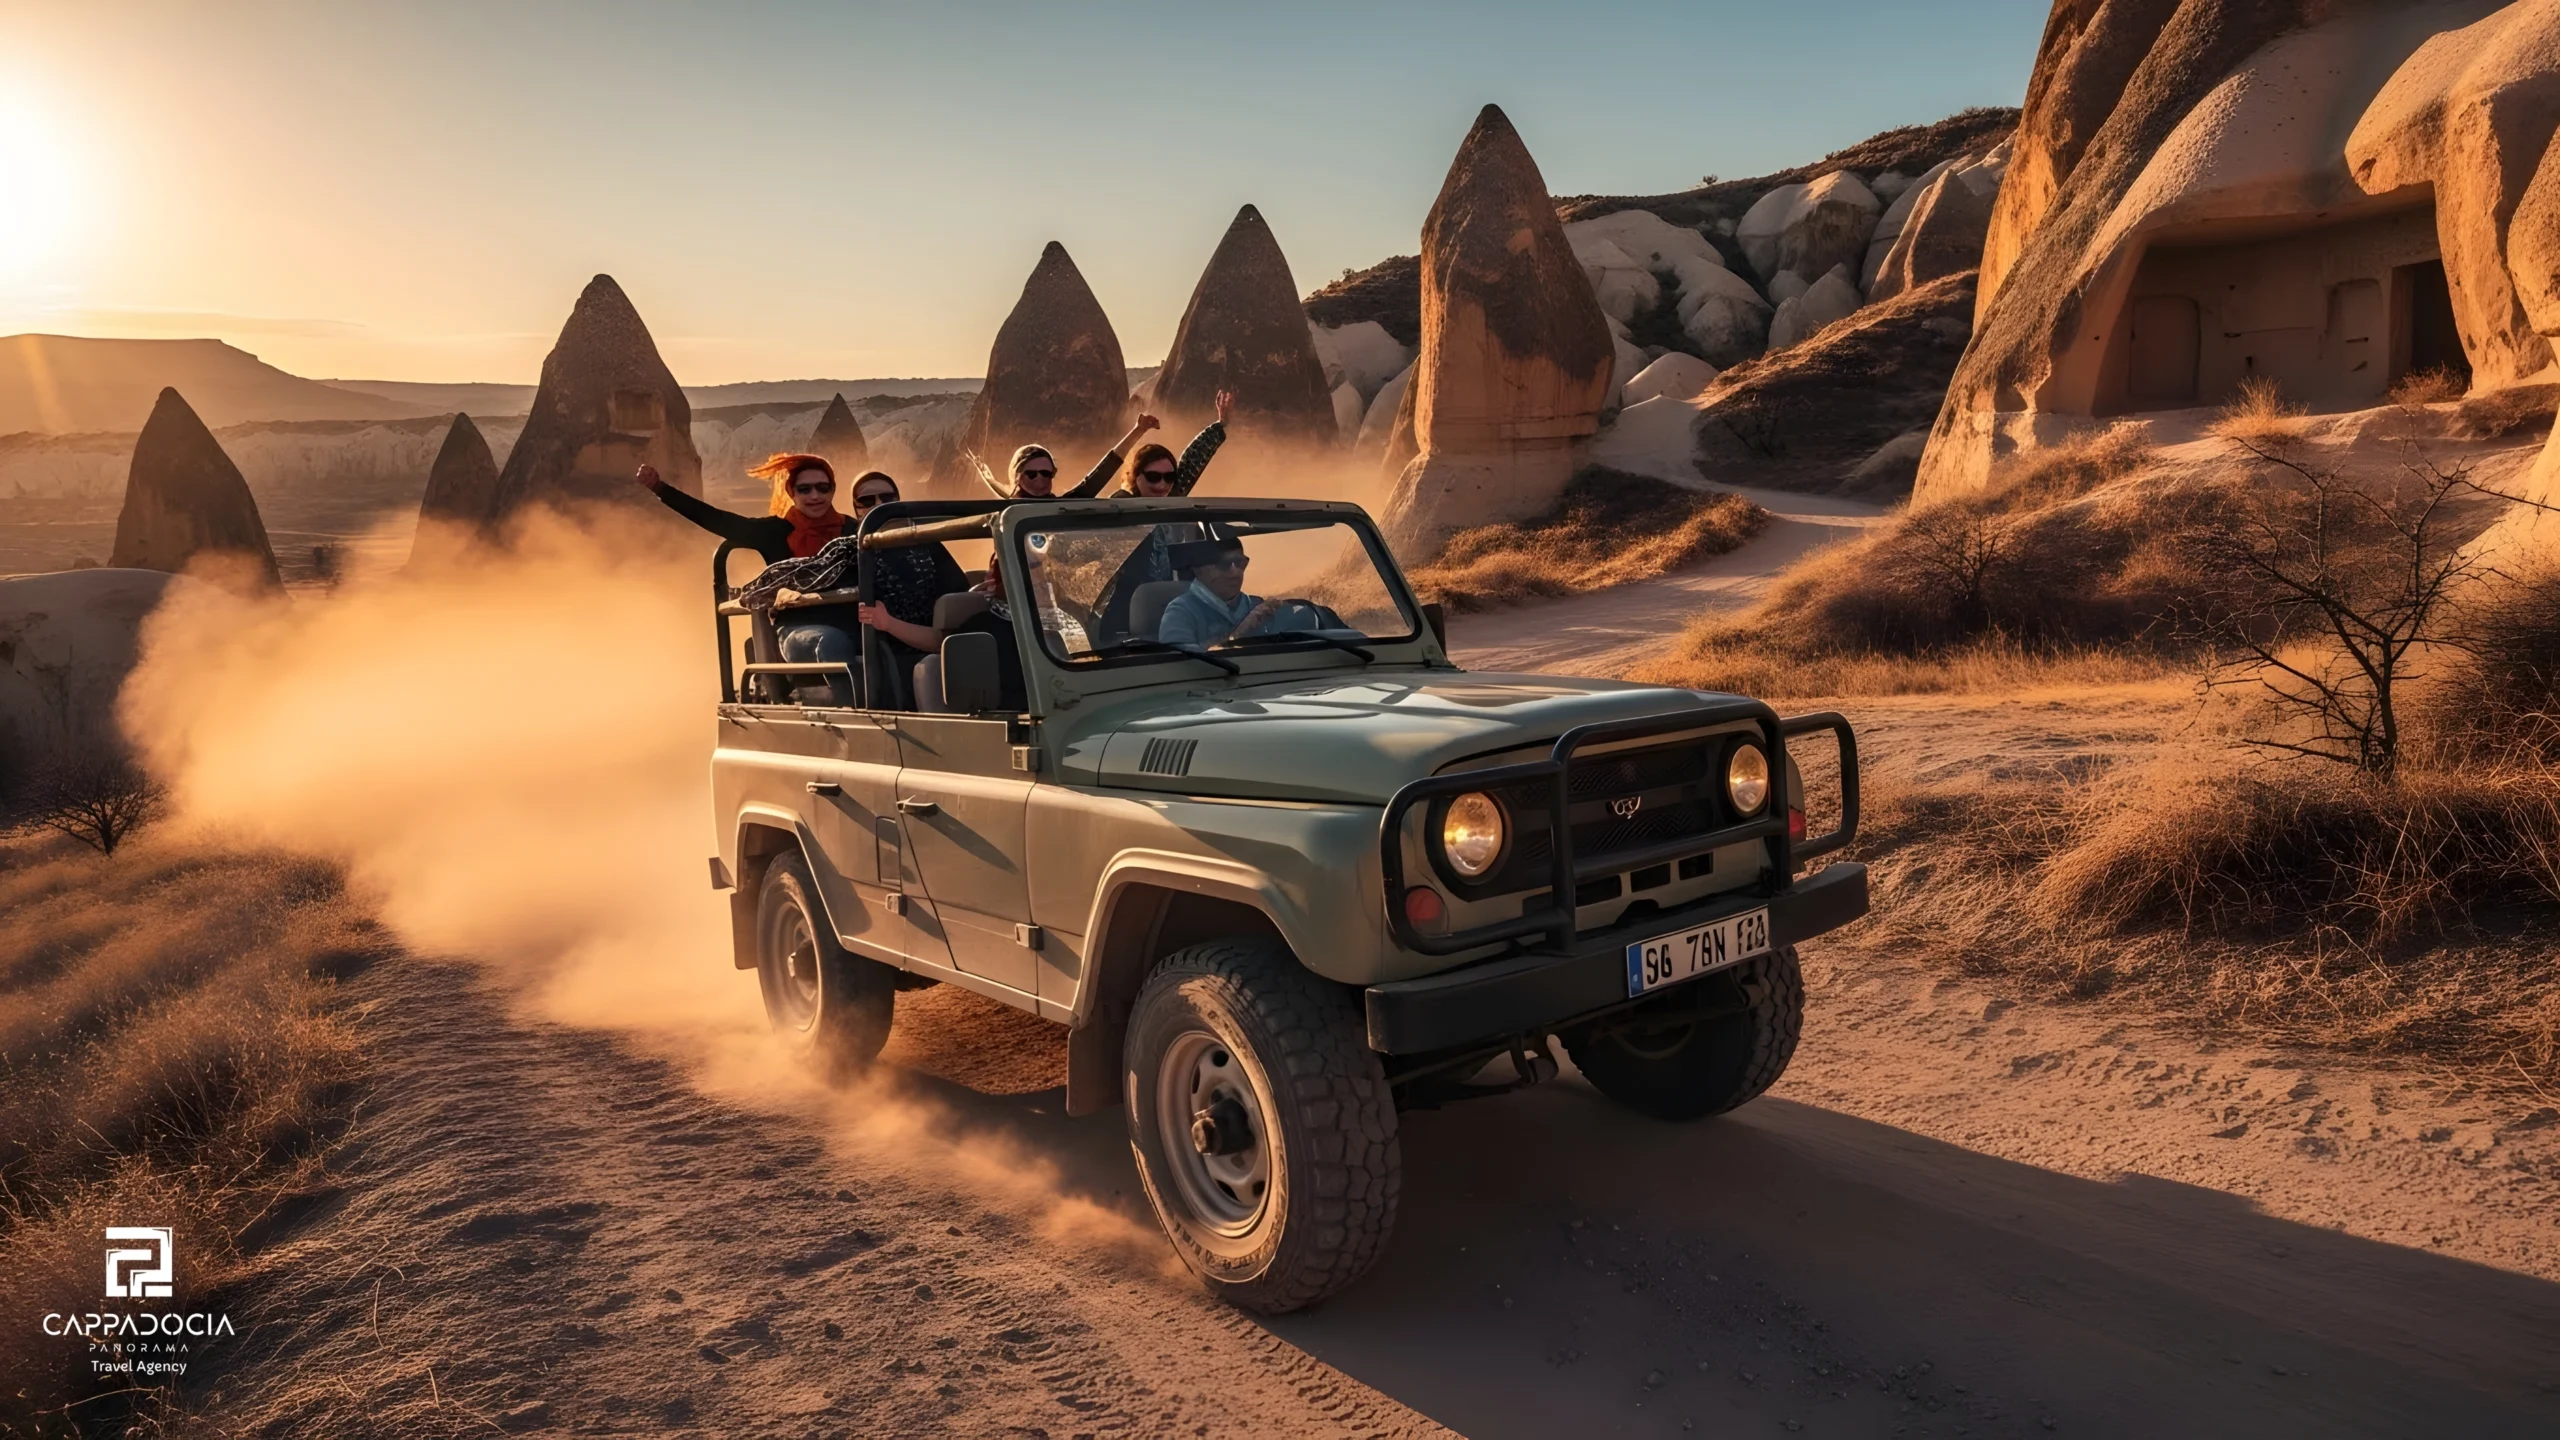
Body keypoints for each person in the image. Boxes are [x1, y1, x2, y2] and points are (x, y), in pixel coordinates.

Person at [638, 454, 860, 701]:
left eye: (823, 487)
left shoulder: (852, 532)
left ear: (833, 490)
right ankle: (862, 718)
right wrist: (661, 489)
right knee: (832, 642)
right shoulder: (775, 531)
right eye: (804, 489)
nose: (815, 496)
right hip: (798, 628)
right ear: (791, 493)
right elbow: (717, 520)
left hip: (853, 621)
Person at [964, 389, 1229, 500]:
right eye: (1031, 473)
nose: (1040, 479)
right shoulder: (1004, 516)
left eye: (1046, 472)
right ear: (1017, 477)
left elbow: (1103, 471)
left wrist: (1138, 430)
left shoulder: (1067, 507)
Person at [1155, 536, 1321, 648]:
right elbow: (1180, 669)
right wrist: (1239, 634)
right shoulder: (1180, 613)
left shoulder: (1257, 606)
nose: (1235, 572)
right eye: (1224, 564)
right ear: (1198, 569)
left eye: (1240, 562)